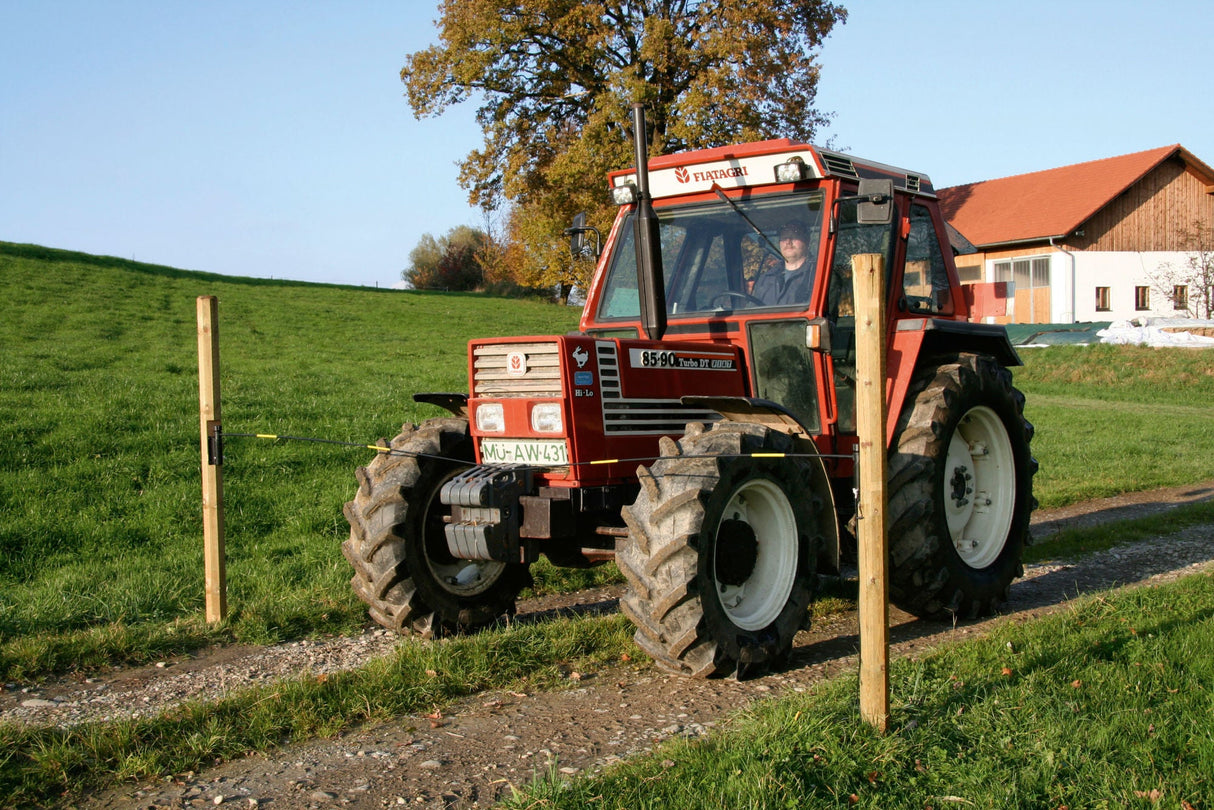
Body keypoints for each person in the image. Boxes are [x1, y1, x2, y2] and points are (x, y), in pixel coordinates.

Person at [752, 220, 815, 306]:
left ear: (807, 240)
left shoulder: (818, 275)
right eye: (784, 237)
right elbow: (752, 310)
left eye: (794, 236)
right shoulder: (766, 279)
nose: (788, 242)